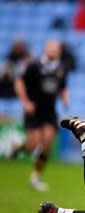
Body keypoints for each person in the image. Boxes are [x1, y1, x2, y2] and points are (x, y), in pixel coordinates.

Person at [9, 40, 70, 191]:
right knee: (33, 145)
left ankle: (35, 178)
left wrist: (65, 97)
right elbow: (19, 82)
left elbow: (62, 86)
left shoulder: (61, 68)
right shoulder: (34, 65)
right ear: (45, 49)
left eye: (56, 49)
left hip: (50, 112)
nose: (54, 51)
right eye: (51, 48)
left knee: (47, 143)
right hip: (34, 111)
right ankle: (18, 147)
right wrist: (26, 102)